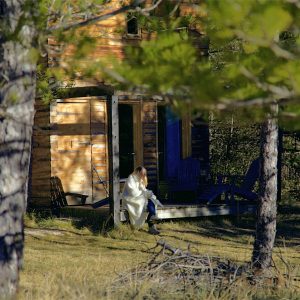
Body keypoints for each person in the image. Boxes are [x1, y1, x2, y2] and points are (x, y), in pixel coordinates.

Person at [122, 166, 163, 235]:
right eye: (142, 173)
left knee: (152, 198)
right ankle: (152, 223)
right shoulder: (131, 179)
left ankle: (152, 221)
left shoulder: (140, 179)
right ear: (138, 172)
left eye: (144, 174)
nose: (143, 175)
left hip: (138, 197)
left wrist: (148, 193)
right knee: (148, 201)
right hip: (130, 199)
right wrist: (144, 194)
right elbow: (133, 192)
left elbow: (143, 190)